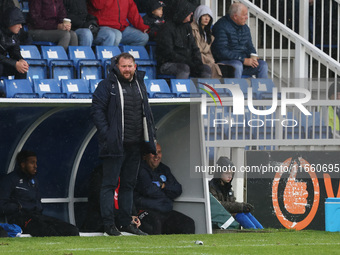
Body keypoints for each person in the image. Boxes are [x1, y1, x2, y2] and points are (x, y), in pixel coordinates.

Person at [91, 52, 156, 236]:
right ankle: (109, 224)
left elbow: (147, 113)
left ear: (135, 66)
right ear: (117, 67)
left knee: (129, 184)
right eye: (123, 66)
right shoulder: (107, 85)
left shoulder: (139, 83)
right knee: (109, 185)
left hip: (135, 144)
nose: (127, 70)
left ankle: (126, 222)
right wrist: (108, 135)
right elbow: (96, 110)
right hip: (115, 145)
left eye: (130, 66)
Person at [0, 151, 79, 237]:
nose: (35, 166)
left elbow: (37, 202)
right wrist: (18, 206)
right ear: (23, 164)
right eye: (32, 163)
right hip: (20, 218)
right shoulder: (9, 180)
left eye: (36, 163)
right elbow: (2, 205)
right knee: (49, 231)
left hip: (37, 216)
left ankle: (71, 250)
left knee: (72, 230)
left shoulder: (33, 182)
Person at [134, 143, 195, 235]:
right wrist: (167, 193)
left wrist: (162, 186)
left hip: (165, 211)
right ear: (145, 155)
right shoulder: (139, 169)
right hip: (146, 211)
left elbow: (177, 189)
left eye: (159, 152)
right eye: (153, 153)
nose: (156, 156)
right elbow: (149, 190)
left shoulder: (164, 169)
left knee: (188, 223)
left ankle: (184, 249)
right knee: (156, 223)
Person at [156, 0, 211, 79]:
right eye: (189, 12)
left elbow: (194, 48)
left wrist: (197, 63)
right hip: (168, 63)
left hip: (187, 62)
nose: (191, 13)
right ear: (182, 12)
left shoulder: (187, 27)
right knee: (184, 68)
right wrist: (188, 62)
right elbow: (168, 53)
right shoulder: (167, 28)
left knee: (206, 69)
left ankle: (204, 91)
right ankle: (181, 90)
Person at [211, 3, 268, 78]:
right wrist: (243, 60)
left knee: (262, 65)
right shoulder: (221, 26)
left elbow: (250, 46)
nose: (247, 17)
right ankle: (235, 89)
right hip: (224, 63)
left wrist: (253, 56)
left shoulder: (245, 28)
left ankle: (263, 90)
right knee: (237, 66)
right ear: (235, 16)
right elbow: (222, 52)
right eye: (244, 15)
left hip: (242, 62)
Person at [209, 156, 263, 229]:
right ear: (219, 173)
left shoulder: (228, 187)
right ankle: (253, 231)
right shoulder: (212, 186)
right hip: (219, 217)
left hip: (227, 214)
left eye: (231, 173)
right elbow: (218, 205)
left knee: (247, 213)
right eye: (227, 173)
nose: (230, 176)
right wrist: (241, 207)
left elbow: (232, 203)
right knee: (240, 214)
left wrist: (243, 206)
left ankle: (261, 231)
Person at [191, 5, 235, 79]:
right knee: (212, 69)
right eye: (204, 15)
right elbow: (197, 50)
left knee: (230, 69)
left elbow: (209, 52)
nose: (207, 18)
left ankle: (226, 90)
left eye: (209, 16)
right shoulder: (192, 30)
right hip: (198, 60)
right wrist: (209, 61)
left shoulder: (208, 32)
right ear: (199, 16)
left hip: (208, 60)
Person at [0, 7, 28, 80]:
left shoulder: (14, 35)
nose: (20, 26)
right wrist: (15, 64)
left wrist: (20, 60)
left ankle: (20, 90)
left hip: (2, 64)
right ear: (10, 22)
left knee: (22, 69)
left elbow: (15, 51)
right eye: (18, 23)